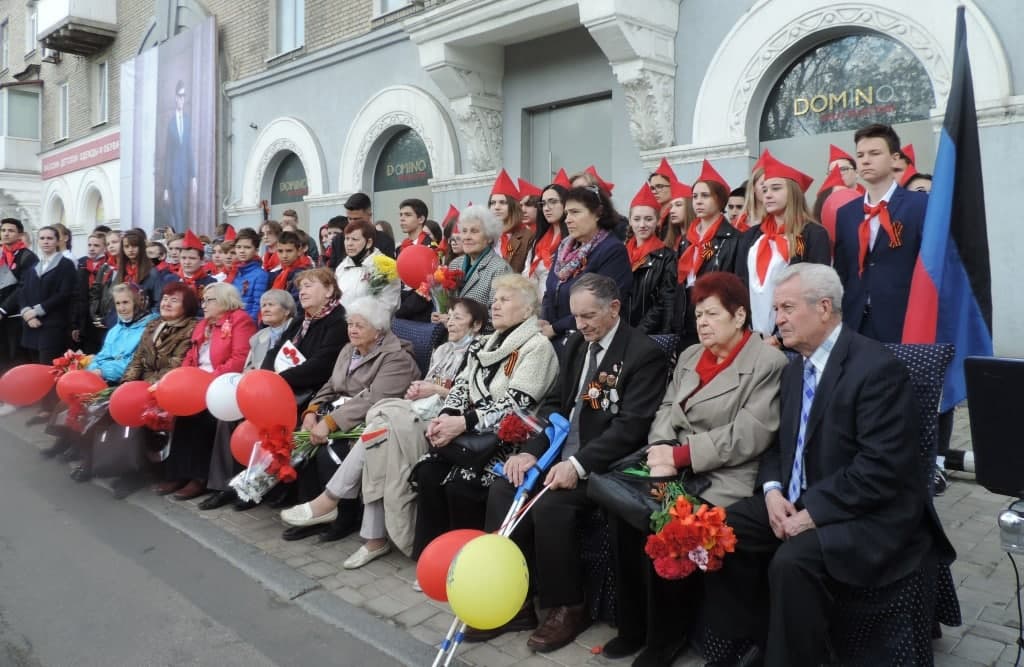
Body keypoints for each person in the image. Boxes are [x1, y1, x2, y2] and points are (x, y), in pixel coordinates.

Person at [701, 263, 953, 667]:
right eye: (776, 309)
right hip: (799, 498)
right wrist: (772, 492)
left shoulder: (876, 369)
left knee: (792, 562)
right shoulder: (794, 368)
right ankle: (755, 639)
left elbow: (880, 468)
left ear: (823, 308)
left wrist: (812, 513)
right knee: (720, 530)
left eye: (786, 308)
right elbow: (776, 445)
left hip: (867, 512)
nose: (777, 319)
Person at [480, 274, 668, 652]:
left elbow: (631, 429)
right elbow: (555, 404)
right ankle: (514, 599)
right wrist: (532, 451)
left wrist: (578, 465)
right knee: (504, 488)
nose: (580, 325)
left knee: (551, 505)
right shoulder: (576, 344)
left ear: (614, 308)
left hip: (604, 464)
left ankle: (569, 606)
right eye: (576, 316)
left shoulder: (643, 354)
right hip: (558, 453)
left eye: (589, 316)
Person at [606, 272, 787, 665]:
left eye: (712, 314)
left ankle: (666, 638)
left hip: (723, 473)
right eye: (698, 315)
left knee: (671, 521)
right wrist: (661, 448)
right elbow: (666, 408)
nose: (702, 323)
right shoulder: (690, 356)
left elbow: (750, 434)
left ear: (739, 316)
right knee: (625, 512)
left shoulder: (768, 362)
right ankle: (632, 626)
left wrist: (680, 457)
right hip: (671, 464)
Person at [279, 297, 488, 559]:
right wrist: (313, 411)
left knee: (377, 433)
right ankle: (371, 537)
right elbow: (332, 384)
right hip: (411, 414)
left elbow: (475, 397)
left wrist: (434, 390)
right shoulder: (443, 349)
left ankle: (336, 504)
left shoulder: (480, 352)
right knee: (377, 441)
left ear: (476, 325)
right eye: (450, 315)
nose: (450, 322)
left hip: (441, 422)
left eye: (458, 317)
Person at [411, 274, 559, 557]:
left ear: (527, 310)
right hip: (467, 432)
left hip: (507, 440)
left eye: (505, 300)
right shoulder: (484, 343)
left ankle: (466, 562)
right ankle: (432, 558)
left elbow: (517, 403)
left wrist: (463, 422)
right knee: (429, 472)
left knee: (462, 485)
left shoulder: (538, 347)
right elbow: (461, 385)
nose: (495, 305)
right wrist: (446, 416)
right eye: (494, 300)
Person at [284, 297, 420, 543]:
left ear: (378, 330)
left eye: (360, 325)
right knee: (303, 447)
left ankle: (344, 518)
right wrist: (312, 411)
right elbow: (332, 384)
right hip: (335, 412)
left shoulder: (397, 358)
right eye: (350, 324)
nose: (352, 330)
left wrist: (330, 423)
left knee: (328, 452)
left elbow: (374, 398)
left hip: (369, 420)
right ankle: (313, 514)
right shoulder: (349, 349)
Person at [157, 282, 257, 500]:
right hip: (198, 382)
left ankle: (199, 477)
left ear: (224, 300)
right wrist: (183, 378)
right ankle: (178, 473)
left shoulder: (240, 320)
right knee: (182, 413)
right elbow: (190, 356)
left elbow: (239, 358)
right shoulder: (204, 324)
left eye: (208, 300)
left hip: (222, 384)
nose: (203, 305)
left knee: (203, 417)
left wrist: (206, 381)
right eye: (203, 300)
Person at [833, 123, 927, 343]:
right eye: (860, 155)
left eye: (874, 153)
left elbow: (926, 266)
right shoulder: (846, 213)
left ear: (894, 158)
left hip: (901, 320)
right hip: (855, 321)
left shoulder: (919, 205)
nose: (865, 160)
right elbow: (842, 271)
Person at [67, 284, 159, 482]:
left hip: (133, 381)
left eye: (126, 302)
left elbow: (134, 362)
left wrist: (103, 370)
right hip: (106, 378)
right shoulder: (116, 328)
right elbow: (101, 356)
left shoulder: (149, 327)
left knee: (102, 408)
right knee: (79, 401)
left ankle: (120, 469)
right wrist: (94, 370)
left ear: (138, 303)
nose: (122, 308)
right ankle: (86, 456)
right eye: (118, 303)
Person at [735, 153, 830, 338]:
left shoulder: (812, 234)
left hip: (795, 337)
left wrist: (780, 337)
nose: (768, 195)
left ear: (793, 192)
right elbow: (740, 284)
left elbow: (817, 290)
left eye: (776, 188)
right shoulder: (750, 237)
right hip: (753, 337)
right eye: (765, 190)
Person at [540, 186, 632, 345]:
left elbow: (601, 304)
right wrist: (544, 320)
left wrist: (555, 328)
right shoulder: (564, 249)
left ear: (598, 213)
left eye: (575, 212)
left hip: (590, 340)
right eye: (567, 213)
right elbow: (550, 292)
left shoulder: (612, 250)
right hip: (554, 338)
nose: (567, 219)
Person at [674, 161, 741, 348]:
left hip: (716, 317)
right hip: (687, 318)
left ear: (720, 200)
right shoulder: (687, 239)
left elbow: (737, 284)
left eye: (705, 196)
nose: (698, 201)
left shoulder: (734, 239)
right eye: (695, 196)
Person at [430, 206, 512, 327]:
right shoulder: (455, 263)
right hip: (453, 335)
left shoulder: (499, 269)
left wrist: (455, 320)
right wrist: (441, 314)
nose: (467, 237)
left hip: (481, 336)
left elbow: (498, 316)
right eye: (464, 231)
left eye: (474, 231)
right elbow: (449, 305)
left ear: (489, 238)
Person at [18, 226, 77, 365]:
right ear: (38, 241)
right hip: (31, 325)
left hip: (53, 325)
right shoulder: (34, 266)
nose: (46, 241)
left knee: (48, 368)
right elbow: (22, 291)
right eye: (42, 238)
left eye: (50, 238)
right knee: (33, 369)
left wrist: (36, 311)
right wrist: (27, 313)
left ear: (57, 241)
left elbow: (64, 294)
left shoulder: (66, 265)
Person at [625, 184, 676, 334]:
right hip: (621, 330)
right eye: (637, 219)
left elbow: (664, 301)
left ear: (657, 220)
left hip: (649, 334)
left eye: (648, 219)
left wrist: (639, 332)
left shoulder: (667, 257)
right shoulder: (620, 253)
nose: (642, 225)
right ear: (630, 221)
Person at [333, 219, 400, 313]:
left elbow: (388, 305)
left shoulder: (384, 267)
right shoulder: (342, 267)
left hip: (369, 321)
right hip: (341, 320)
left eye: (354, 239)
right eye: (347, 239)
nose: (349, 244)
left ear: (369, 243)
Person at [0, 218, 38, 373]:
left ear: (20, 234)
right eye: (3, 230)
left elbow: (23, 287)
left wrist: (3, 309)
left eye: (11, 230)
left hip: (16, 316)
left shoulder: (28, 257)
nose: (6, 234)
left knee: (16, 359)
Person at [523, 183, 567, 300]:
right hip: (536, 302)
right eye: (543, 204)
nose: (547, 208)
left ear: (565, 204)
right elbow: (527, 273)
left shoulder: (573, 240)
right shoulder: (538, 240)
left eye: (553, 202)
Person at [162, 81, 195, 232]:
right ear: (176, 97)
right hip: (174, 176)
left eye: (184, 96)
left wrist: (193, 176)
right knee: (176, 210)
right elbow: (167, 157)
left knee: (184, 209)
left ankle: (182, 235)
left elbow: (189, 148)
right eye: (180, 96)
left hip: (185, 175)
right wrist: (166, 187)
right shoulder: (170, 124)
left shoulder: (188, 120)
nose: (182, 99)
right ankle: (178, 236)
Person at [71, 231, 110, 355]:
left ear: (105, 247)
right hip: (85, 320)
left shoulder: (108, 267)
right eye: (89, 245)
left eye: (96, 245)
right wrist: (75, 325)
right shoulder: (82, 265)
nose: (92, 248)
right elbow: (77, 296)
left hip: (101, 318)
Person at [114, 230, 166, 320]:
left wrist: (148, 320)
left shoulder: (152, 272)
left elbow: (158, 301)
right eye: (126, 246)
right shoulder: (122, 271)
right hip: (122, 318)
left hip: (144, 320)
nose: (130, 250)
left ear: (142, 247)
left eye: (134, 246)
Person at [491, 169, 534, 274]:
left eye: (502, 202)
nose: (496, 207)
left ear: (513, 206)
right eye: (492, 203)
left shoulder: (528, 236)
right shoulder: (487, 237)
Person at [229, 228, 270, 322]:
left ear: (256, 250)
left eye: (247, 247)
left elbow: (257, 306)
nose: (242, 251)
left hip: (246, 323)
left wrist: (247, 324)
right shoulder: (234, 272)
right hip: (231, 321)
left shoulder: (260, 275)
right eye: (238, 247)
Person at [268, 230, 314, 302]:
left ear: (299, 251)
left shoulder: (304, 274)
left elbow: (296, 303)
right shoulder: (277, 274)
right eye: (280, 251)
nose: (284, 256)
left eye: (289, 251)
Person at [175, 230, 216, 296]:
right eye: (183, 258)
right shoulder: (171, 279)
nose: (187, 262)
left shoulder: (210, 282)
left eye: (192, 258)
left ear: (202, 261)